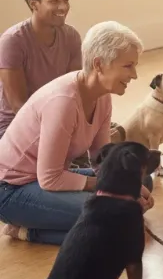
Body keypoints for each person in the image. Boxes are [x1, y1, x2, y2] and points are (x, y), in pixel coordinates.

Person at [0, 22, 153, 245]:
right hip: (12, 190)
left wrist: (126, 183)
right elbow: (50, 179)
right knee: (114, 217)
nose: (135, 75)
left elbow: (101, 160)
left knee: (143, 179)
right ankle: (26, 231)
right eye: (128, 66)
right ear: (99, 64)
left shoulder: (102, 96)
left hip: (51, 178)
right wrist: (117, 187)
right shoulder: (63, 102)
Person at [0, 0, 82, 140]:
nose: (63, 7)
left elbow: (75, 91)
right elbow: (18, 106)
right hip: (16, 127)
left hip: (57, 119)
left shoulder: (71, 37)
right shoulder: (12, 41)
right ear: (33, 4)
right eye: (54, 1)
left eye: (66, 0)